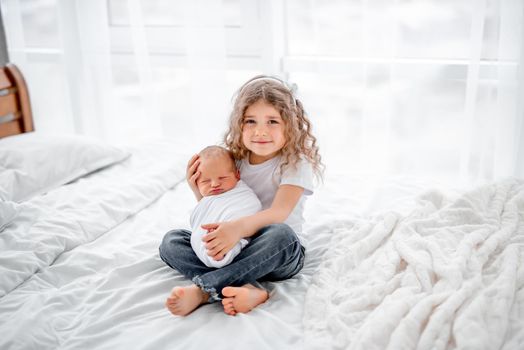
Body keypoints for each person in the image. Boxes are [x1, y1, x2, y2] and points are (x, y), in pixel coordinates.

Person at [159, 75, 323, 316]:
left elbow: (279, 213)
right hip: (235, 248)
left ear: (291, 124)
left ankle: (205, 290)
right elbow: (220, 207)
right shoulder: (235, 161)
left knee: (282, 235)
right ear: (239, 125)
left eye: (272, 122)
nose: (260, 131)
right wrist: (199, 193)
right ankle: (248, 288)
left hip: (274, 251)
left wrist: (236, 229)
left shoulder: (295, 163)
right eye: (251, 121)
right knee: (172, 241)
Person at [190, 145, 262, 268]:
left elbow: (252, 208)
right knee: (172, 240)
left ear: (237, 175)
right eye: (205, 181)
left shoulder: (242, 194)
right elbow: (205, 215)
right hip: (210, 244)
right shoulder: (207, 199)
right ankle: (221, 269)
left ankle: (212, 274)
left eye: (222, 178)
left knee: (279, 235)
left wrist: (232, 231)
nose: (215, 184)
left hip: (244, 244)